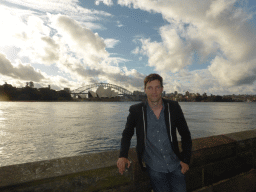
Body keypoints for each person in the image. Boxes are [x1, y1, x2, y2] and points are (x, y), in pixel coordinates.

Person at [117, 73, 192, 192]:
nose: (154, 91)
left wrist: (186, 160)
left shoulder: (173, 107)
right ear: (145, 90)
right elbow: (127, 133)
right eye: (150, 88)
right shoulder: (136, 110)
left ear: (162, 89)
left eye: (157, 87)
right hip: (154, 167)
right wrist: (123, 155)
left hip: (176, 165)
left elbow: (185, 134)